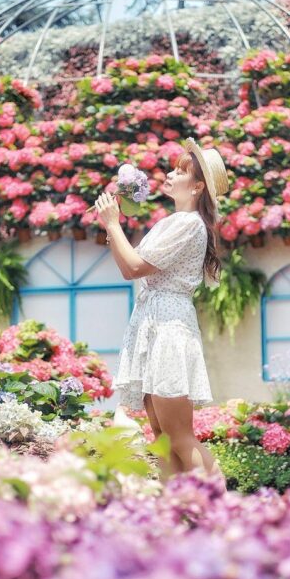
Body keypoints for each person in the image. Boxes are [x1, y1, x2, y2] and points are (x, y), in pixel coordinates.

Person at [94, 137, 229, 479]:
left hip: (168, 327)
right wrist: (112, 228)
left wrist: (113, 224)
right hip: (154, 323)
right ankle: (175, 514)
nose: (169, 174)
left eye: (180, 172)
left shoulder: (188, 224)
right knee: (163, 438)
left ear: (198, 186)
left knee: (181, 437)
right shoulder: (173, 222)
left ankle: (219, 510)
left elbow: (136, 267)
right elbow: (130, 268)